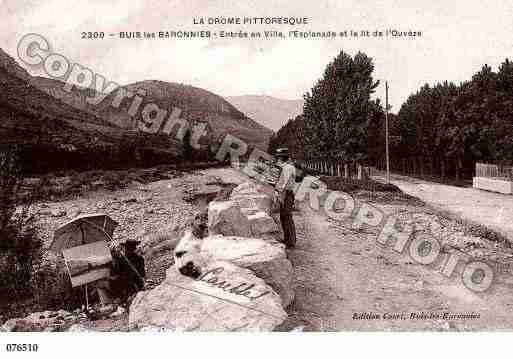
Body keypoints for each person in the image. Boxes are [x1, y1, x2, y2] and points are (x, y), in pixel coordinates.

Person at [274, 148, 297, 249]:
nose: (277, 159)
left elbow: (285, 183)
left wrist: (279, 191)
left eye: (278, 157)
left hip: (286, 194)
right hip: (284, 193)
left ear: (281, 158)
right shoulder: (284, 167)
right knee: (283, 217)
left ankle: (291, 241)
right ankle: (287, 239)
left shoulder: (288, 168)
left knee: (287, 216)